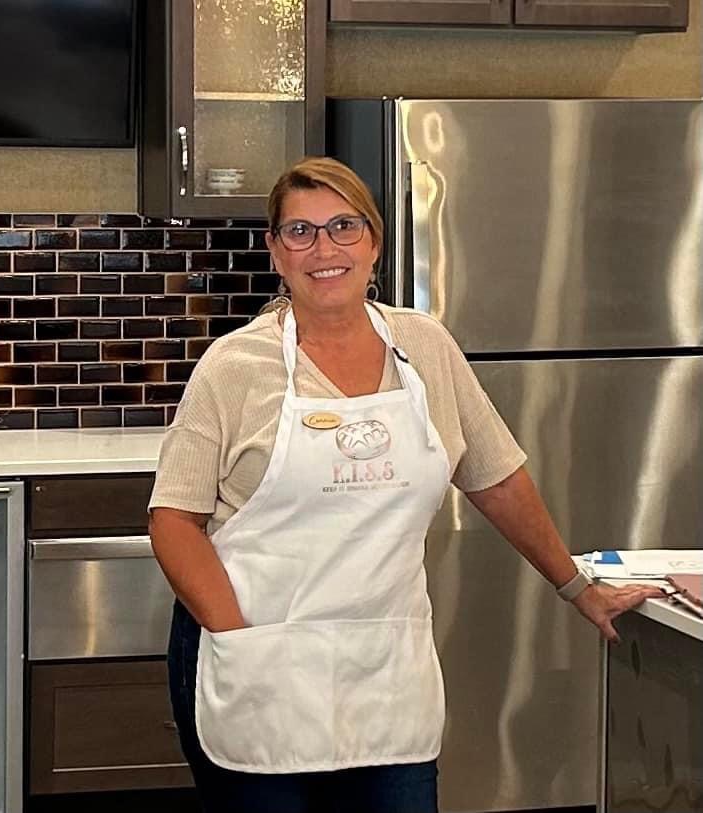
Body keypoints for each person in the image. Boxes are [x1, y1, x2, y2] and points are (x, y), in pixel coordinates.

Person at [148, 156, 662, 813]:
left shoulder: (425, 346)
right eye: (299, 232)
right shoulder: (233, 366)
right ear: (275, 252)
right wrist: (241, 639)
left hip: (382, 669)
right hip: (260, 664)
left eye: (342, 226)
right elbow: (173, 518)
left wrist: (576, 587)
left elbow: (495, 476)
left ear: (375, 242)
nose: (323, 248)